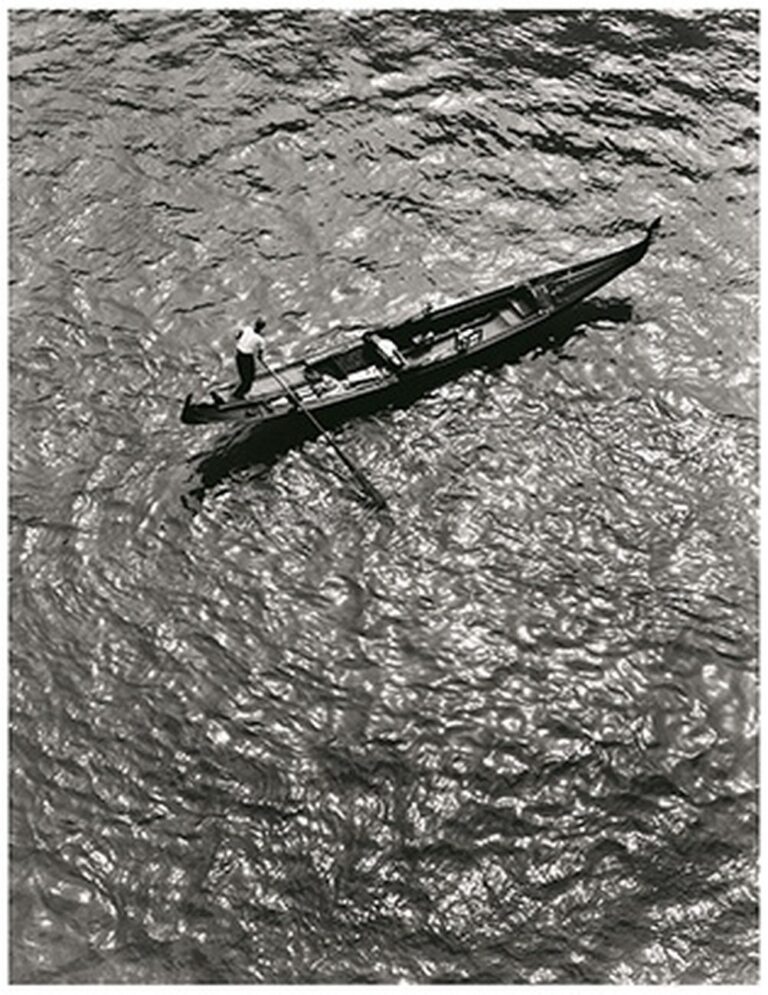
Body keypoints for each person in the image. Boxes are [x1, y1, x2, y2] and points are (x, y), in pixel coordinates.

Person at [232, 316, 266, 399]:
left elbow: (238, 335)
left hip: (239, 354)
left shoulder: (247, 329)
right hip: (246, 357)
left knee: (249, 376)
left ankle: (242, 391)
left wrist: (239, 338)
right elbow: (260, 354)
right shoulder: (260, 340)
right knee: (247, 379)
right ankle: (237, 395)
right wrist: (260, 358)